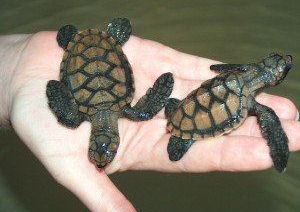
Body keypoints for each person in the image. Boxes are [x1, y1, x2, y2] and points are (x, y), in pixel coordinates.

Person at [0, 31, 299, 212]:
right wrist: (14, 75)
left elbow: (55, 89)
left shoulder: (75, 115)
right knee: (145, 112)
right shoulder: (132, 112)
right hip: (187, 108)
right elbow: (54, 89)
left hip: (188, 107)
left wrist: (15, 70)